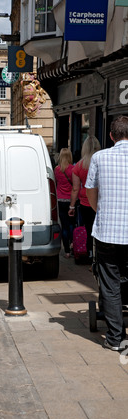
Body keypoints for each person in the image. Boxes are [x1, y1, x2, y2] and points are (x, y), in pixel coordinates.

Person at [85, 116, 128, 352]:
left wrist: (99, 210)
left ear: (111, 136)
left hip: (108, 232)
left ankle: (114, 339)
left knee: (110, 286)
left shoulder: (100, 157)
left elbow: (90, 190)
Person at [68, 136, 101, 263]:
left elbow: (75, 189)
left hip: (85, 202)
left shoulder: (78, 166)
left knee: (88, 230)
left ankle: (90, 256)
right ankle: (98, 257)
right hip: (99, 201)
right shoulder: (100, 162)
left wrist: (71, 206)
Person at [54, 148, 74, 258]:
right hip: (71, 200)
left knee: (64, 226)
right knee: (72, 224)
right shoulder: (73, 169)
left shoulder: (56, 169)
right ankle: (72, 244)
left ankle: (66, 251)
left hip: (60, 200)